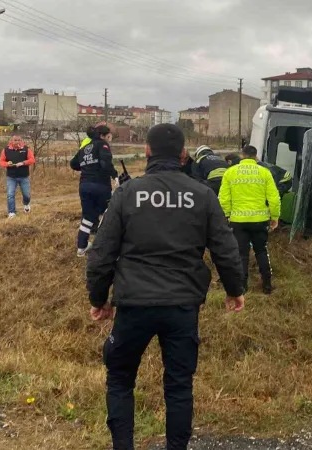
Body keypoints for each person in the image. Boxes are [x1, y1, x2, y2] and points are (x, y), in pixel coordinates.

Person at [86, 123, 245, 450]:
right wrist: (234, 289)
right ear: (184, 154)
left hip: (133, 306)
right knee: (179, 385)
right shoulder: (202, 194)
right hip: (181, 307)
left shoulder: (127, 194)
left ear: (146, 151)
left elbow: (101, 253)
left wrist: (99, 298)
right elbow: (225, 247)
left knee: (119, 379)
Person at [218, 145, 281, 294]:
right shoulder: (264, 172)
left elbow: (223, 198)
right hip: (260, 220)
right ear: (255, 156)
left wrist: (226, 215)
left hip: (238, 221)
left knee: (241, 254)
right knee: (261, 251)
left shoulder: (230, 173)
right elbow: (274, 198)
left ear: (242, 155)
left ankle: (242, 286)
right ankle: (267, 285)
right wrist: (275, 217)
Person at [70, 124, 119, 257]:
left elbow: (73, 163)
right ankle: (105, 247)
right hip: (100, 185)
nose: (109, 139)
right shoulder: (102, 145)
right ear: (103, 135)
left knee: (88, 217)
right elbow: (105, 163)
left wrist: (87, 168)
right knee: (105, 215)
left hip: (84, 185)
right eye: (109, 136)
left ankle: (81, 247)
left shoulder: (85, 147)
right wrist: (115, 175)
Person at [0, 135, 35, 219]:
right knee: (10, 194)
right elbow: (1, 161)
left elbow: (32, 160)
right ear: (11, 141)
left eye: (19, 140)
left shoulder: (26, 149)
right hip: (11, 177)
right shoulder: (6, 150)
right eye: (15, 140)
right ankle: (11, 212)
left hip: (24, 176)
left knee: (27, 195)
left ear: (21, 140)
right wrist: (7, 164)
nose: (17, 142)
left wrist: (23, 163)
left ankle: (26, 204)